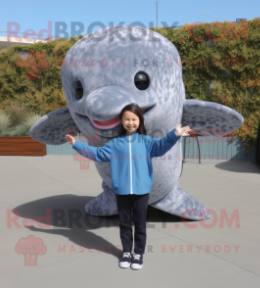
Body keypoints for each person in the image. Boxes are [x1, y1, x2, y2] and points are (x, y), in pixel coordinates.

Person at [65, 103, 191, 270]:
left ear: (139, 121)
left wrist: (174, 135)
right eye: (127, 119)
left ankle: (138, 253)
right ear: (122, 122)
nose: (130, 122)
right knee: (124, 223)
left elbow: (161, 147)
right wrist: (77, 144)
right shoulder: (115, 143)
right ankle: (126, 252)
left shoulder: (146, 142)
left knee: (139, 224)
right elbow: (97, 154)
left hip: (141, 191)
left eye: (134, 119)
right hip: (122, 191)